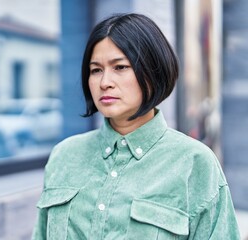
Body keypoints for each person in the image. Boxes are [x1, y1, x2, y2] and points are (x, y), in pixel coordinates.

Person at [31, 13, 240, 240]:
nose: (104, 82)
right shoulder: (64, 155)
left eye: (120, 67)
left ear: (153, 70)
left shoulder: (195, 162)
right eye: (96, 70)